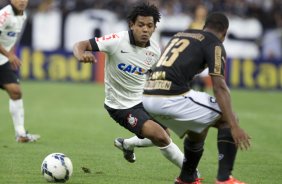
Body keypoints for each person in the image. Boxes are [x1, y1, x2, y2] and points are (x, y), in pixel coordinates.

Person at [73, 2, 189, 173]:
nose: (145, 30)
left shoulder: (155, 50)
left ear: (154, 28)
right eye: (140, 25)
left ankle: (127, 144)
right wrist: (81, 55)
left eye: (149, 26)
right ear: (131, 25)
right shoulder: (117, 41)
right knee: (160, 137)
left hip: (143, 101)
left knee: (164, 135)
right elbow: (80, 44)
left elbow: (158, 76)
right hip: (120, 106)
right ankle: (191, 174)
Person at [142, 12, 251, 184]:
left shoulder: (182, 34)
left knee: (199, 125)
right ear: (225, 33)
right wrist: (234, 126)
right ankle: (224, 179)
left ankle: (186, 178)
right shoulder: (214, 43)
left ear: (204, 26)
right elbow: (219, 87)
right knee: (227, 117)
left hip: (148, 95)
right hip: (170, 97)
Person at [0, 0, 40, 142]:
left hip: (2, 61)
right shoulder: (4, 14)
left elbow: (9, 39)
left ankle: (21, 134)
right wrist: (9, 55)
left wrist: (10, 55)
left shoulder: (23, 16)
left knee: (16, 92)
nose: (22, 1)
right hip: (4, 57)